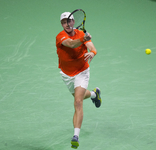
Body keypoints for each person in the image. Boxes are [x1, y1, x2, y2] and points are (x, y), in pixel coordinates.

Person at [56, 12, 102, 149]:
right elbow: (70, 44)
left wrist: (92, 53)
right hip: (66, 74)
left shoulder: (82, 34)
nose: (67, 24)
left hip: (82, 71)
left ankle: (76, 136)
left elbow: (93, 48)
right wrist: (83, 40)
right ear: (62, 25)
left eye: (69, 21)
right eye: (64, 22)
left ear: (73, 21)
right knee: (79, 96)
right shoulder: (60, 37)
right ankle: (94, 94)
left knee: (77, 101)